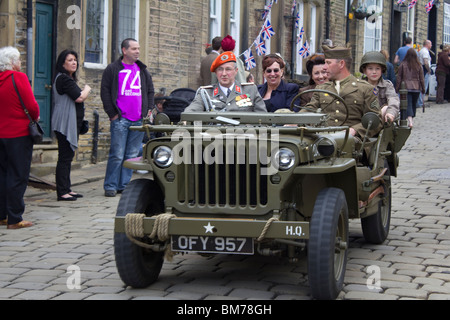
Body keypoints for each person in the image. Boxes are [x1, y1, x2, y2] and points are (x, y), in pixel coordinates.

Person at [101, 38, 155, 197]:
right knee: (117, 154)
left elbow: (150, 91)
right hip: (120, 119)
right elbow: (105, 92)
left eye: (138, 48)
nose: (137, 51)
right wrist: (112, 114)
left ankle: (123, 185)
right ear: (124, 50)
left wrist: (149, 109)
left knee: (131, 155)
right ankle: (110, 186)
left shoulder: (143, 71)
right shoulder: (112, 69)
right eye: (134, 49)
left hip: (138, 120)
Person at [304, 44, 383, 141]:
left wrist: (355, 130)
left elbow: (376, 121)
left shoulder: (365, 89)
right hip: (323, 139)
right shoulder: (321, 89)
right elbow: (309, 109)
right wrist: (293, 121)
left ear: (341, 64)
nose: (324, 67)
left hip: (352, 143)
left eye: (328, 63)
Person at [0, 46, 39, 229]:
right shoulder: (19, 78)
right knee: (17, 175)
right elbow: (31, 105)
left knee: (2, 174)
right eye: (20, 60)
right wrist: (35, 117)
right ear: (13, 62)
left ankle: (2, 215)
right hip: (18, 134)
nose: (21, 64)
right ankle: (15, 218)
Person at [52, 50, 91, 201]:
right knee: (64, 158)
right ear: (63, 64)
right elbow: (79, 97)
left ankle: (67, 189)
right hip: (64, 123)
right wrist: (87, 88)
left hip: (69, 122)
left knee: (67, 157)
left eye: (75, 60)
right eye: (70, 60)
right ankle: (62, 192)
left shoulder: (65, 79)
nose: (74, 63)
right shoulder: (64, 80)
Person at [185, 51, 266, 113]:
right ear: (216, 73)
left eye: (228, 69)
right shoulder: (206, 93)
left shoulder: (250, 90)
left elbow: (262, 117)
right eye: (220, 69)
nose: (224, 74)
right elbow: (190, 112)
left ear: (236, 71)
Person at [360, 51, 400, 124]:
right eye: (370, 68)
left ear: (382, 70)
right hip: (361, 119)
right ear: (364, 70)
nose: (374, 72)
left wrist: (390, 113)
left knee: (385, 108)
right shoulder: (358, 85)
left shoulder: (387, 85)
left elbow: (393, 100)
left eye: (377, 68)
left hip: (381, 121)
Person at [395, 48, 425, 128]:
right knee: (413, 104)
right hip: (416, 88)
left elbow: (399, 78)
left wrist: (397, 88)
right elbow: (422, 78)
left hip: (406, 88)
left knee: (408, 104)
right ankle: (411, 119)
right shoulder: (418, 65)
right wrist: (423, 88)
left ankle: (410, 119)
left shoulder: (403, 64)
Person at [418, 40, 432, 108]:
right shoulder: (425, 51)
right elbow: (425, 62)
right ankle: (421, 102)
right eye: (430, 44)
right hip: (424, 70)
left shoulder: (422, 51)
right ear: (427, 44)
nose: (431, 46)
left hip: (422, 69)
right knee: (424, 87)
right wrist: (429, 70)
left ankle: (420, 102)